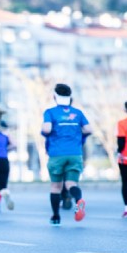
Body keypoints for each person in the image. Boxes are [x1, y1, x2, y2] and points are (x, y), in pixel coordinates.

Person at [42, 84, 92, 225]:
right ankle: (78, 201)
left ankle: (56, 217)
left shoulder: (50, 112)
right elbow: (89, 129)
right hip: (75, 153)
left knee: (56, 187)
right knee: (71, 183)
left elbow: (47, 129)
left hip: (57, 154)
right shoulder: (78, 113)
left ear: (55, 97)